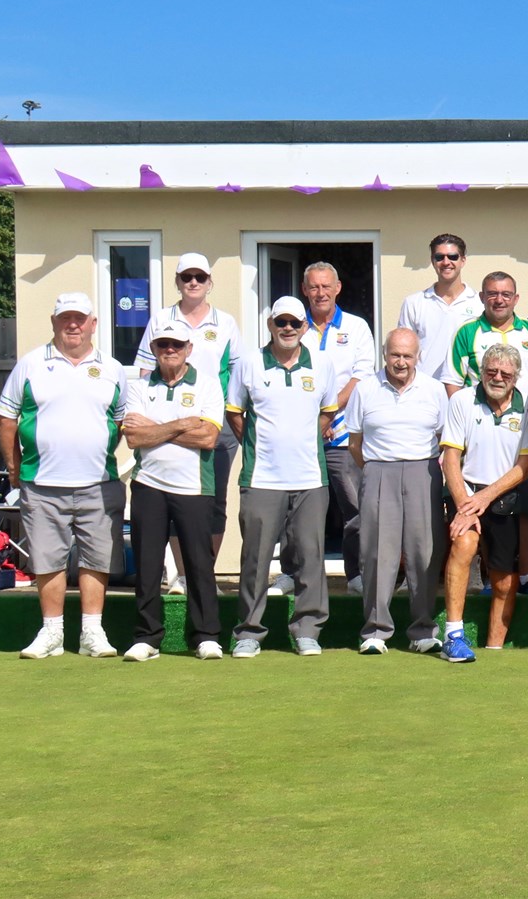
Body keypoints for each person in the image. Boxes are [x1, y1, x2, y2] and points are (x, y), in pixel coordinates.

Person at [0, 292, 130, 660]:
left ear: (93, 324)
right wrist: (13, 466)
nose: (73, 325)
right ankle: (52, 632)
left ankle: (92, 631)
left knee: (96, 559)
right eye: (65, 318)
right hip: (41, 483)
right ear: (54, 322)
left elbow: (121, 420)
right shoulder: (31, 364)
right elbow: (6, 417)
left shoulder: (113, 368)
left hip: (98, 483)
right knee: (46, 559)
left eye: (79, 318)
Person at [224, 297, 339, 658]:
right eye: (280, 323)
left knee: (310, 555)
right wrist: (264, 446)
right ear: (270, 325)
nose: (287, 329)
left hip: (309, 478)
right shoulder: (249, 363)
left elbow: (327, 413)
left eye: (294, 323)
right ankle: (248, 632)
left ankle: (308, 630)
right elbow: (235, 413)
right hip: (261, 478)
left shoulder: (321, 363)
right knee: (255, 559)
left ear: (305, 327)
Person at [132, 251, 245, 569]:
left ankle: (203, 574)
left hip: (213, 423)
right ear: (177, 282)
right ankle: (183, 574)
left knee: (213, 500)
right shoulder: (161, 320)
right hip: (165, 419)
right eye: (186, 277)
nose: (193, 283)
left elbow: (237, 373)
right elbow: (144, 369)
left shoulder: (225, 323)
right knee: (171, 497)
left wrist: (234, 417)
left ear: (210, 282)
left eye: (200, 277)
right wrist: (152, 418)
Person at [120, 319, 225, 662]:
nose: (170, 350)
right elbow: (134, 436)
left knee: (198, 563)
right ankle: (147, 636)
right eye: (163, 344)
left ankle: (206, 635)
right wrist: (182, 423)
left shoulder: (208, 385)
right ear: (153, 349)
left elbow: (208, 438)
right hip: (148, 483)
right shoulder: (137, 386)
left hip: (194, 486)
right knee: (148, 565)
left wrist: (156, 428)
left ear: (188, 349)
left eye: (176, 345)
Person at [349, 328, 450, 656]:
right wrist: (375, 472)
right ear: (385, 355)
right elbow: (354, 443)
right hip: (379, 470)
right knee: (378, 553)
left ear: (417, 356)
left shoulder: (434, 390)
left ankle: (422, 630)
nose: (401, 362)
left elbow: (444, 437)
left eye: (407, 355)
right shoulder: (365, 389)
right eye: (395, 355)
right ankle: (376, 631)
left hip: (423, 471)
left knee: (424, 552)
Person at [442, 344, 528, 658]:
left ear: (516, 376)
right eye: (491, 371)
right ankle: (453, 636)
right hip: (466, 494)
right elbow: (451, 458)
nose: (497, 378)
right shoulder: (462, 400)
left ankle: (493, 648)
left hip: (502, 498)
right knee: (464, 544)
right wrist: (466, 504)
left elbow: (524, 467)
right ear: (481, 372)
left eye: (505, 373)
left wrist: (484, 498)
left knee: (502, 582)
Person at [297, 261, 374, 595]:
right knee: (297, 508)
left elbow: (362, 376)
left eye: (326, 286)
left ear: (338, 288)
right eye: (314, 287)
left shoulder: (356, 327)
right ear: (305, 290)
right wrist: (315, 421)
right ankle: (292, 572)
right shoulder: (294, 327)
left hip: (344, 435)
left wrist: (328, 415)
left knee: (355, 508)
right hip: (303, 435)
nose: (320, 293)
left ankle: (355, 573)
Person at [397, 233, 483, 394]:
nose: (446, 262)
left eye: (452, 256)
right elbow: (404, 350)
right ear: (432, 261)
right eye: (439, 257)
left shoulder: (479, 303)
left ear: (463, 260)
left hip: (468, 394)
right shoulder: (414, 303)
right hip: (423, 393)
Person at [443, 272, 528, 393]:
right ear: (481, 297)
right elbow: (452, 382)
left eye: (506, 295)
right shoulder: (466, 332)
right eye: (492, 294)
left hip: (526, 411)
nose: (499, 300)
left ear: (515, 299)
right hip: (479, 411)